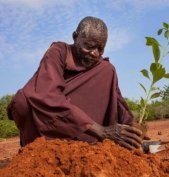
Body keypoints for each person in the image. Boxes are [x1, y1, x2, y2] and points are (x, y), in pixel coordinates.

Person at [7, 16, 144, 150]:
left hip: (84, 137)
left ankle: (88, 143)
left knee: (108, 69)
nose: (95, 53)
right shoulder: (58, 53)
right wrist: (101, 131)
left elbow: (117, 101)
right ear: (75, 37)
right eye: (89, 46)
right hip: (48, 131)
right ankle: (34, 148)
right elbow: (47, 94)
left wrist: (132, 128)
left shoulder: (104, 69)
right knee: (22, 101)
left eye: (100, 49)